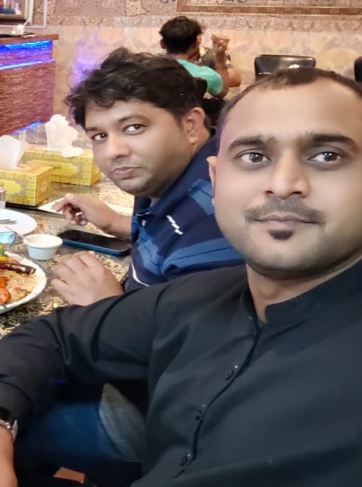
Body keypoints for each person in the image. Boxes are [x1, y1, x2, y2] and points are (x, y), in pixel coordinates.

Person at [0, 68, 362, 487]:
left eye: (327, 156)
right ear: (216, 177)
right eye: (254, 157)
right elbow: (53, 334)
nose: (283, 183)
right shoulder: (203, 296)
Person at [52, 48, 242, 307]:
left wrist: (106, 306)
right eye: (100, 136)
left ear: (190, 125)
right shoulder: (164, 177)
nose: (114, 151)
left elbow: (193, 332)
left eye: (134, 127)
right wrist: (116, 223)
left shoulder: (218, 217)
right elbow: (172, 235)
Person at [159, 15, 241, 97]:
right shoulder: (205, 74)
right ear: (195, 44)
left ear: (162, 43)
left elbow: (235, 79)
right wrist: (220, 56)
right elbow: (222, 90)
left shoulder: (151, 68)